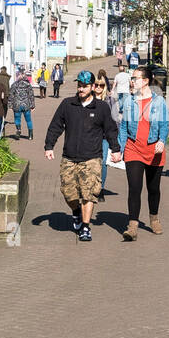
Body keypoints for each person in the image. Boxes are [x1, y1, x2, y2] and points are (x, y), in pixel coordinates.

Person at [44, 69, 120, 243]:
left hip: (92, 157)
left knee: (89, 193)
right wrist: (49, 146)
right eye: (79, 86)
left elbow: (110, 130)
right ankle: (76, 211)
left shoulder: (101, 108)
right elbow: (56, 126)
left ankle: (85, 226)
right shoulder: (67, 104)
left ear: (93, 87)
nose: (81, 89)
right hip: (69, 157)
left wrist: (115, 149)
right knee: (68, 193)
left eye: (85, 86)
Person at [118, 65, 169, 241]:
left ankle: (154, 218)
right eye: (132, 78)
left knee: (153, 188)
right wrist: (119, 149)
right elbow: (123, 128)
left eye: (135, 78)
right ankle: (132, 226)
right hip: (134, 149)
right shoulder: (128, 101)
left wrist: (162, 141)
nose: (132, 81)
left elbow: (164, 125)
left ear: (146, 81)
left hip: (154, 150)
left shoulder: (159, 102)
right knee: (134, 188)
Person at [94, 70, 121, 200]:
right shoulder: (88, 99)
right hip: (90, 136)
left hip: (104, 137)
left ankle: (101, 188)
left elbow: (116, 120)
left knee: (103, 162)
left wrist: (117, 141)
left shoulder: (110, 100)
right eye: (96, 85)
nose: (99, 88)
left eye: (102, 85)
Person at [8, 71, 36, 139]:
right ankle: (30, 135)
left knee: (17, 119)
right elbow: (31, 96)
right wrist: (32, 106)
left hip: (17, 104)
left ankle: (18, 130)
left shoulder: (14, 84)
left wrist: (10, 105)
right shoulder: (28, 84)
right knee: (28, 120)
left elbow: (11, 95)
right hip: (26, 104)